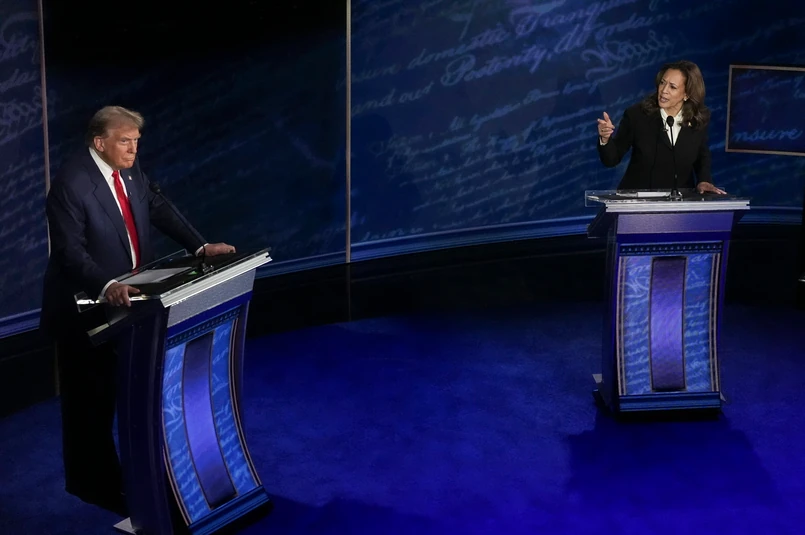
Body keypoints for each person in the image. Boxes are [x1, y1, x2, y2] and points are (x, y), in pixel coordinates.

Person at [40, 105, 236, 516]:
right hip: (85, 312)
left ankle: (135, 477)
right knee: (90, 403)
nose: (133, 150)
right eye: (125, 142)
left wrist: (199, 246)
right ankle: (92, 485)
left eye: (136, 142)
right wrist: (107, 285)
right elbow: (69, 253)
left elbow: (158, 207)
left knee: (124, 390)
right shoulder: (71, 185)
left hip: (132, 304)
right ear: (100, 143)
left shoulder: (129, 170)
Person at [596, 60, 727, 194]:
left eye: (672, 87)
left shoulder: (697, 119)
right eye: (663, 83)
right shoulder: (637, 115)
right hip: (638, 199)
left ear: (687, 94)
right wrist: (605, 139)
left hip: (679, 201)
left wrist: (704, 180)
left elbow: (702, 156)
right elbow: (611, 159)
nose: (664, 91)